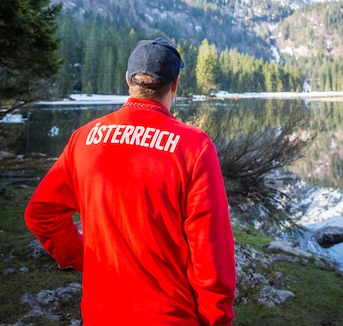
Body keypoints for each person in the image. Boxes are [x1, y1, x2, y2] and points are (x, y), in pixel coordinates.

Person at [25, 37, 236, 325]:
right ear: (175, 84)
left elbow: (42, 214)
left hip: (100, 315)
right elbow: (212, 253)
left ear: (128, 80)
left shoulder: (84, 138)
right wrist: (216, 319)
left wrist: (83, 256)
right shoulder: (193, 146)